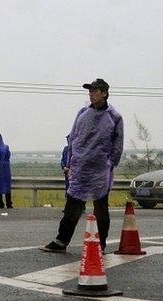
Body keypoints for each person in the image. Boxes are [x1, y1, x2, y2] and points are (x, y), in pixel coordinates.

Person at [41, 78, 123, 253]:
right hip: (80, 169)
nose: (91, 93)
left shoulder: (114, 117)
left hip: (100, 170)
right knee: (72, 207)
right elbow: (73, 138)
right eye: (90, 91)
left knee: (101, 209)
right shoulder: (83, 113)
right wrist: (72, 162)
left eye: (95, 90)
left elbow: (118, 145)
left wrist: (110, 164)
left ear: (104, 93)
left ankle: (100, 245)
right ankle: (61, 241)